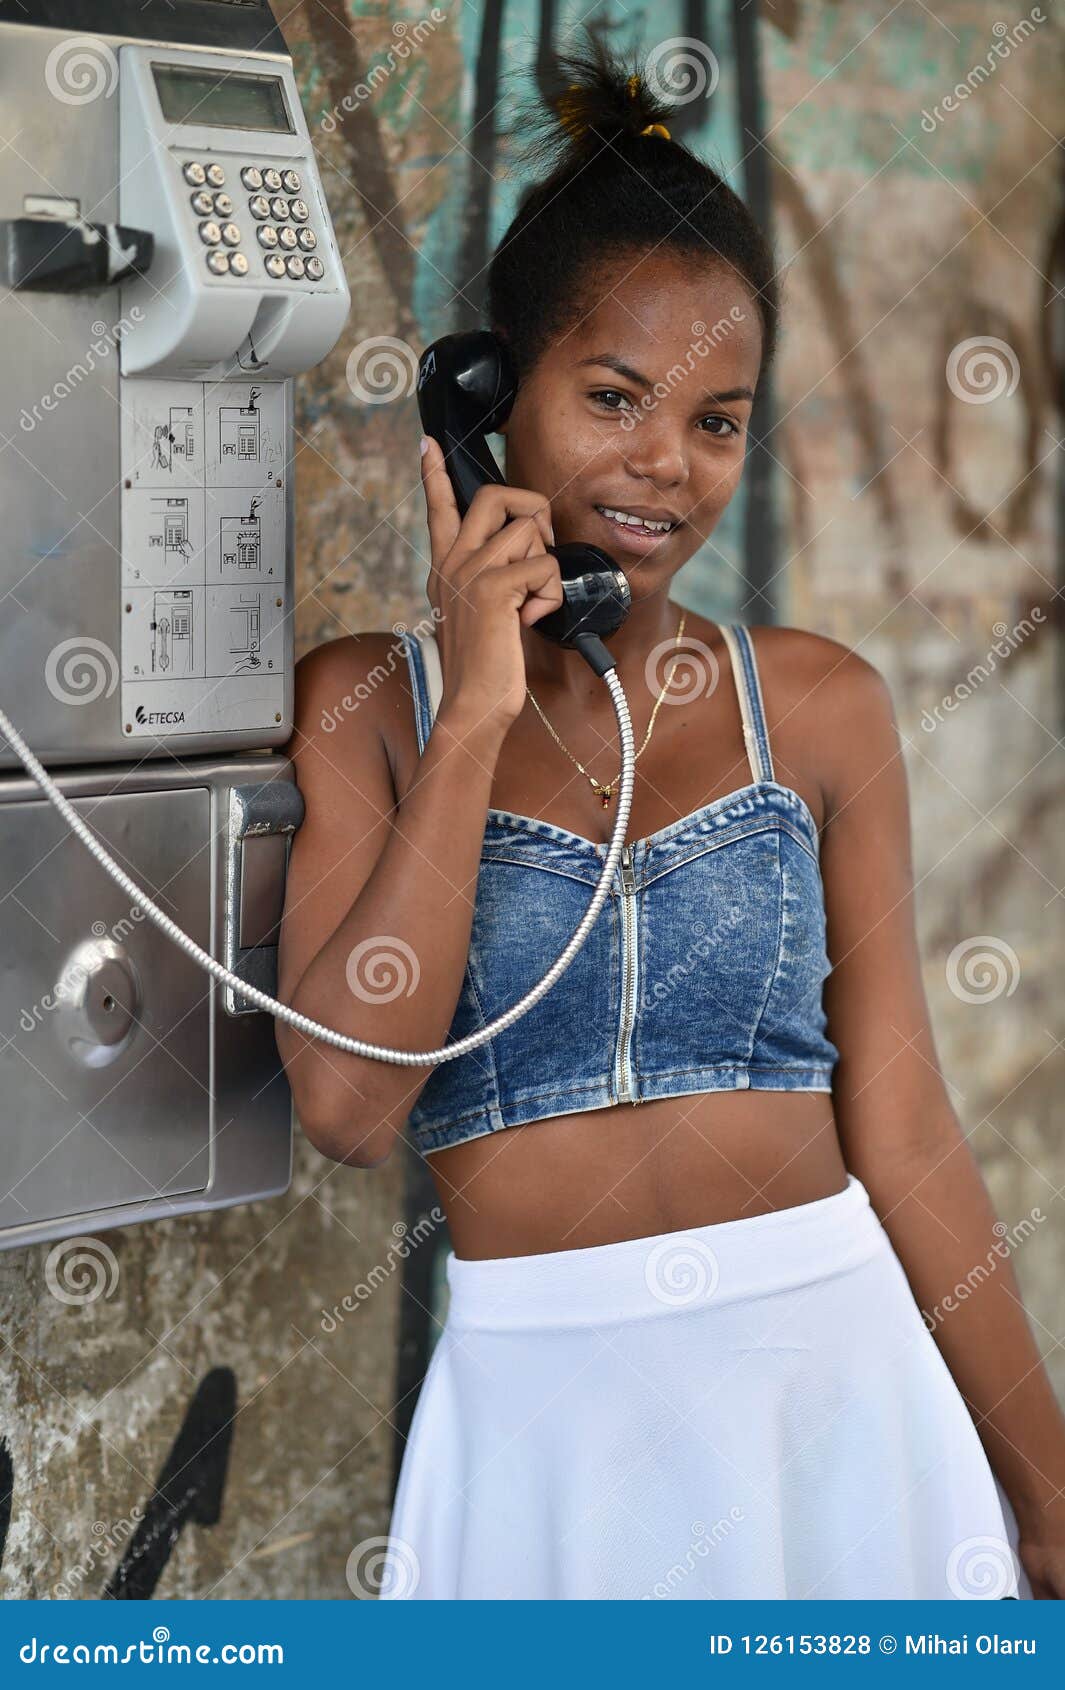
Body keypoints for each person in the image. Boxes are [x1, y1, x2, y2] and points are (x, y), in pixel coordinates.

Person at [275, 34, 1065, 1600]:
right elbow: (350, 1109)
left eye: (716, 419)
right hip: (540, 1426)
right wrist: (478, 711)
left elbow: (901, 1129)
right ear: (487, 398)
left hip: (834, 1392)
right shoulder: (370, 706)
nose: (665, 467)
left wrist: (1043, 1495)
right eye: (614, 397)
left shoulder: (817, 706)